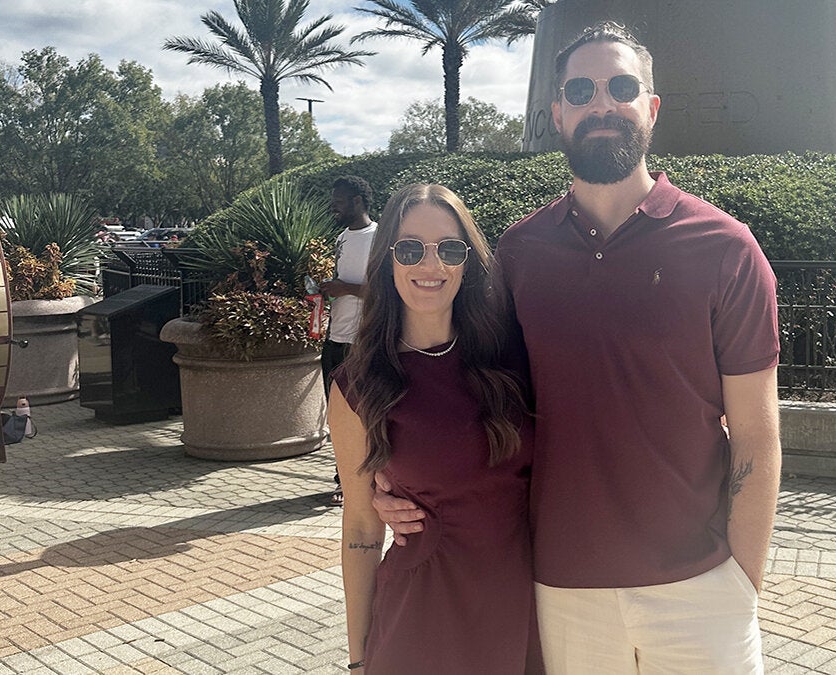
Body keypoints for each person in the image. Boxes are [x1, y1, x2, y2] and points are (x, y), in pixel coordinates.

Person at [376, 21, 782, 674]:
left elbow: (759, 439)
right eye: (582, 89)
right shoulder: (518, 254)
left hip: (700, 590)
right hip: (562, 591)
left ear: (650, 108)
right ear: (557, 113)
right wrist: (388, 474)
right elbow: (461, 390)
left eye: (621, 87)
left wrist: (740, 585)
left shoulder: (726, 250)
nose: (602, 102)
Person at [328, 183, 540, 673]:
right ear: (387, 261)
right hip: (422, 622)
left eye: (448, 248)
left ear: (467, 262)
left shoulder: (512, 361)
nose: (431, 265)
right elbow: (361, 527)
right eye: (409, 249)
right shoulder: (358, 385)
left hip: (526, 610)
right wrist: (359, 659)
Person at [322, 175, 377, 506]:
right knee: (338, 414)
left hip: (364, 340)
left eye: (339, 201)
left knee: (363, 413)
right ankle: (343, 475)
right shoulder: (341, 238)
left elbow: (389, 290)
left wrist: (346, 288)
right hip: (335, 337)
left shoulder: (380, 238)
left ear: (357, 201)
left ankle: (358, 481)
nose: (334, 207)